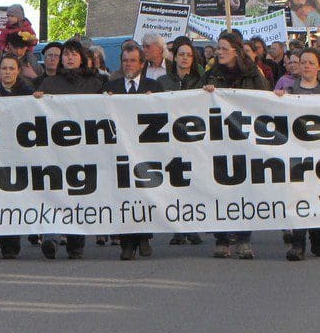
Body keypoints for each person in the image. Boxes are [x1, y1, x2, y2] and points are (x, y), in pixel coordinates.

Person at [36, 39, 108, 257]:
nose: (69, 58)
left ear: (82, 58)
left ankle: (76, 244)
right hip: (55, 148)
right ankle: (51, 237)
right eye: (66, 54)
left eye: (74, 54)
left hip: (82, 148)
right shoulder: (48, 83)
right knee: (54, 192)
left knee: (78, 194)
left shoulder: (94, 83)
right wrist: (36, 99)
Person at [203, 30, 270, 258]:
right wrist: (205, 93)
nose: (219, 52)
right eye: (218, 48)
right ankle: (222, 239)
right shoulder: (212, 74)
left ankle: (243, 238)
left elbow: (265, 99)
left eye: (224, 48)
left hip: (244, 140)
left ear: (236, 51)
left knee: (243, 188)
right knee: (219, 188)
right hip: (219, 139)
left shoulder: (252, 74)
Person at [105, 41, 164, 260]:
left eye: (132, 61)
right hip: (120, 149)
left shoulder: (154, 86)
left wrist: (153, 102)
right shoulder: (112, 87)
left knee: (143, 193)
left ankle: (144, 237)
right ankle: (128, 244)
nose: (128, 64)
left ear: (141, 64)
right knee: (124, 195)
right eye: (125, 61)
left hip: (146, 151)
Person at [275, 47, 320, 259]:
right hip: (297, 152)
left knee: (317, 195)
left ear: (319, 67)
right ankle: (298, 244)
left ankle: (318, 241)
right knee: (299, 196)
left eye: (311, 63)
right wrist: (278, 99)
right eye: (303, 62)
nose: (306, 66)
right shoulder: (290, 91)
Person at [0, 55, 35, 259]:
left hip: (17, 153)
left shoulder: (27, 93)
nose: (8, 72)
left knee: (12, 198)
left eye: (12, 68)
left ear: (18, 71)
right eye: (4, 68)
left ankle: (10, 245)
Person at [161, 37, 206, 246]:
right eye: (181, 54)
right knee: (175, 183)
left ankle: (193, 226)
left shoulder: (201, 81)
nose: (185, 58)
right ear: (175, 57)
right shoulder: (163, 81)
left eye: (189, 55)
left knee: (193, 183)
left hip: (193, 138)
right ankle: (178, 228)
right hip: (170, 138)